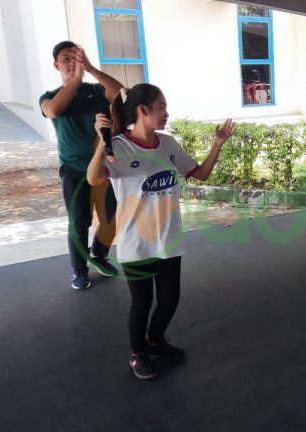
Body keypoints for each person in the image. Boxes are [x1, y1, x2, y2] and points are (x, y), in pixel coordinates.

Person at [88, 83, 235, 379]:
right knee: (141, 303)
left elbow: (201, 173)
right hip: (136, 242)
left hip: (168, 238)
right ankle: (137, 353)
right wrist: (102, 143)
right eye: (162, 108)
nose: (166, 113)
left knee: (169, 300)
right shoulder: (119, 146)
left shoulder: (168, 144)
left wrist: (218, 142)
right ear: (143, 110)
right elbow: (93, 178)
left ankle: (154, 340)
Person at [39, 41, 123, 290]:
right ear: (56, 65)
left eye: (75, 58)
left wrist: (91, 68)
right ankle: (79, 270)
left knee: (111, 217)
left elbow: (120, 94)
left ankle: (99, 254)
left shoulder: (95, 91)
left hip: (103, 168)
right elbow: (53, 111)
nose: (71, 62)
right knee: (79, 223)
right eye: (66, 58)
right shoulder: (49, 97)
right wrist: (75, 80)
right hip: (73, 171)